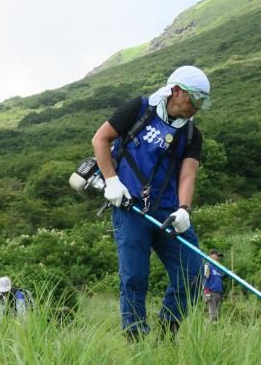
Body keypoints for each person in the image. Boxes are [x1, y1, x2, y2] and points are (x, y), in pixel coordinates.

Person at [91, 65, 211, 340]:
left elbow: (188, 174)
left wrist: (184, 209)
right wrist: (111, 180)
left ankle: (167, 334)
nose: (198, 107)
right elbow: (100, 138)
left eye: (203, 101)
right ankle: (135, 338)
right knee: (134, 278)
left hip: (168, 213)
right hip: (129, 207)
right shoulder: (139, 109)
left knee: (192, 274)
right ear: (177, 91)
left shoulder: (192, 135)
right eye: (195, 99)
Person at [203, 249, 225, 322]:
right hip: (211, 292)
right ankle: (208, 329)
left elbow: (221, 277)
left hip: (219, 293)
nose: (217, 257)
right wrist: (206, 293)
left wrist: (229, 273)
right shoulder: (207, 265)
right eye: (216, 255)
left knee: (218, 315)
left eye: (218, 256)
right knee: (213, 314)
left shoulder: (218, 268)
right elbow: (205, 278)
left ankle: (215, 331)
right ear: (211, 255)